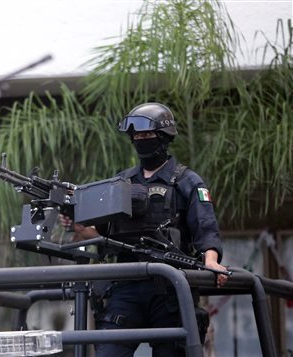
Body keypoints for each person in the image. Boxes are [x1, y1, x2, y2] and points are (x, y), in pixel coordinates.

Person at [61, 102, 228, 356]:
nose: (141, 141)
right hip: (128, 284)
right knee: (108, 351)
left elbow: (205, 228)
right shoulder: (121, 182)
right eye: (136, 136)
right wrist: (77, 224)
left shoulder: (187, 181)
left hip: (170, 287)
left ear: (163, 137)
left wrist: (212, 261)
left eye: (147, 135)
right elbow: (103, 234)